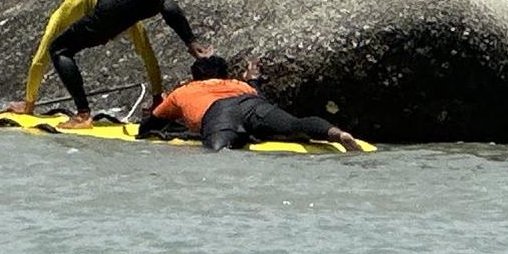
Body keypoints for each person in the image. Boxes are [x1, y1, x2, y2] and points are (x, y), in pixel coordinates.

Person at [8, 0, 213, 128]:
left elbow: (39, 59)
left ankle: (82, 115)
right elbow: (148, 54)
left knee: (58, 49)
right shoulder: (128, 19)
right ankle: (193, 44)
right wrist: (157, 97)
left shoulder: (67, 10)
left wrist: (29, 103)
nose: (106, 42)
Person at [139, 55, 363, 151]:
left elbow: (152, 124)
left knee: (217, 154)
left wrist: (144, 129)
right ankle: (336, 134)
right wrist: (253, 78)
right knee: (295, 125)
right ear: (225, 74)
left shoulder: (184, 91)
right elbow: (259, 96)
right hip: (250, 103)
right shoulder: (238, 84)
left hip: (218, 115)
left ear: (194, 77)